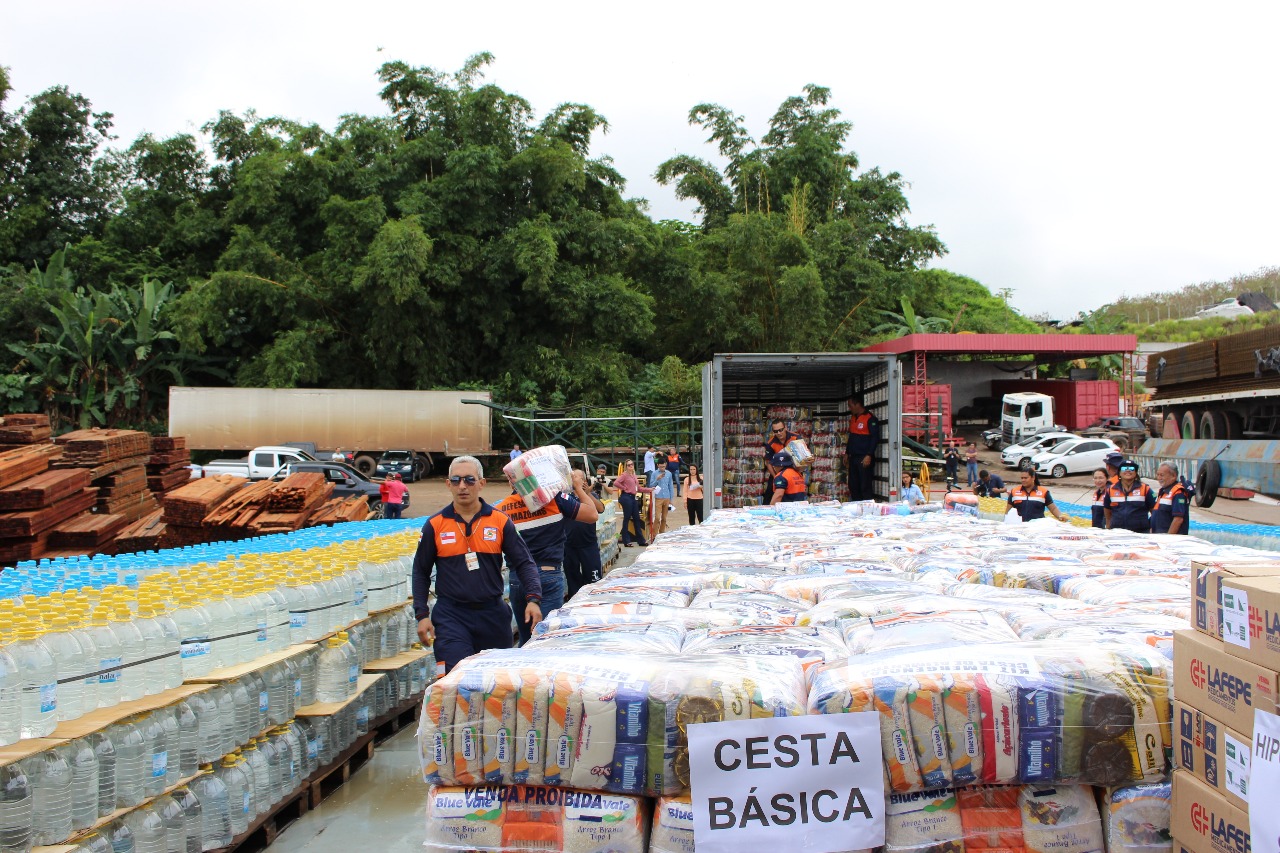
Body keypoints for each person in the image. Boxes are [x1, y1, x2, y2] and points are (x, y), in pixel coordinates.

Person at [411, 456, 541, 674]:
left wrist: (533, 599)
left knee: (494, 686)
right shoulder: (435, 525)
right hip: (451, 616)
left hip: (492, 615)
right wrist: (422, 615)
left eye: (469, 480)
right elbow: (420, 571)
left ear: (482, 483)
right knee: (455, 681)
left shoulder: (500, 521)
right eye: (456, 480)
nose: (462, 486)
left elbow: (524, 562)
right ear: (448, 484)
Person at [495, 461, 600, 646]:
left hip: (518, 579)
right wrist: (578, 487)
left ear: (511, 482)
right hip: (548, 576)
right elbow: (592, 513)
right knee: (547, 641)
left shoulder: (502, 508)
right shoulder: (553, 499)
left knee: (526, 639)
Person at [562, 469, 607, 601]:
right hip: (569, 545)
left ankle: (593, 601)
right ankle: (575, 602)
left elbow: (601, 509)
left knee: (593, 579)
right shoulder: (566, 497)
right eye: (572, 477)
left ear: (584, 481)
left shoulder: (589, 496)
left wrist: (587, 494)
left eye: (577, 477)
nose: (574, 479)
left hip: (588, 544)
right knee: (572, 578)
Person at [846, 396, 881, 502]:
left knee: (864, 484)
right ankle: (856, 505)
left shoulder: (870, 418)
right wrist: (847, 452)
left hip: (864, 456)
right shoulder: (853, 418)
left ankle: (867, 506)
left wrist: (869, 455)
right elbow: (851, 437)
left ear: (857, 405)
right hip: (853, 456)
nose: (849, 408)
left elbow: (875, 438)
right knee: (853, 484)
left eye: (850, 406)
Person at [1105, 460, 1155, 532]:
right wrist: (1108, 528)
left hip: (1141, 532)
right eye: (1124, 468)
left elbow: (1154, 511)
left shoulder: (1145, 489)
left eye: (1131, 469)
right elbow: (1107, 513)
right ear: (1119, 473)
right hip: (1117, 532)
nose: (1128, 471)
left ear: (1135, 472)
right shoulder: (1110, 490)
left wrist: (1150, 527)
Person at [612, 460, 653, 547]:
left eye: (632, 464)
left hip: (633, 497)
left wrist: (649, 489)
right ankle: (626, 541)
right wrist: (624, 488)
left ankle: (641, 540)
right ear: (626, 466)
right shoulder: (624, 475)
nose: (631, 466)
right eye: (628, 465)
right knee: (627, 518)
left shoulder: (633, 475)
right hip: (626, 497)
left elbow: (638, 488)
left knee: (636, 518)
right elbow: (616, 483)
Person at [1151, 462, 1191, 535]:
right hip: (1158, 537)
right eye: (1158, 475)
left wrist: (1168, 538)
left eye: (1162, 475)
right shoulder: (1163, 491)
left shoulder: (1178, 492)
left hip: (1170, 541)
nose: (1159, 478)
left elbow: (1178, 519)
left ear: (1173, 476)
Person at [650, 465, 675, 534]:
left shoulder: (669, 473)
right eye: (661, 467)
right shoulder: (654, 473)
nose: (662, 468)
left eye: (663, 466)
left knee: (664, 518)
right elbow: (651, 485)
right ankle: (654, 534)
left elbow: (670, 486)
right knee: (657, 518)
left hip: (666, 497)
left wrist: (671, 498)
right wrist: (657, 479)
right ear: (658, 466)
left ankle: (662, 532)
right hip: (658, 497)